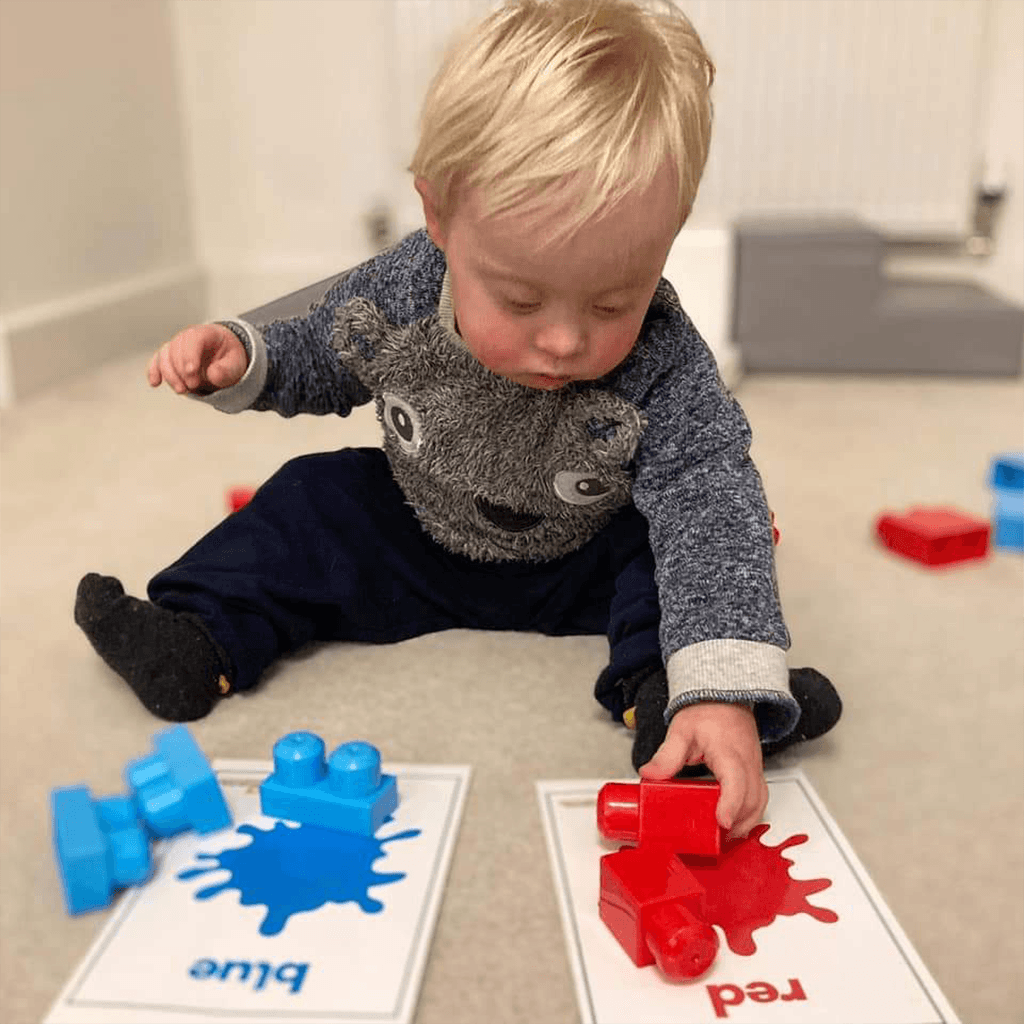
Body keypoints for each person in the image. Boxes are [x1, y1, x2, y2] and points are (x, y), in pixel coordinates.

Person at [75, 0, 840, 839]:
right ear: (439, 217)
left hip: (579, 554)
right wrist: (244, 354)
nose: (562, 340)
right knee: (312, 497)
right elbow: (328, 347)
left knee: (682, 543)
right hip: (415, 533)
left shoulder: (665, 357)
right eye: (519, 297)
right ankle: (199, 641)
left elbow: (707, 490)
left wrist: (723, 682)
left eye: (612, 300)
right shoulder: (404, 287)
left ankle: (687, 698)